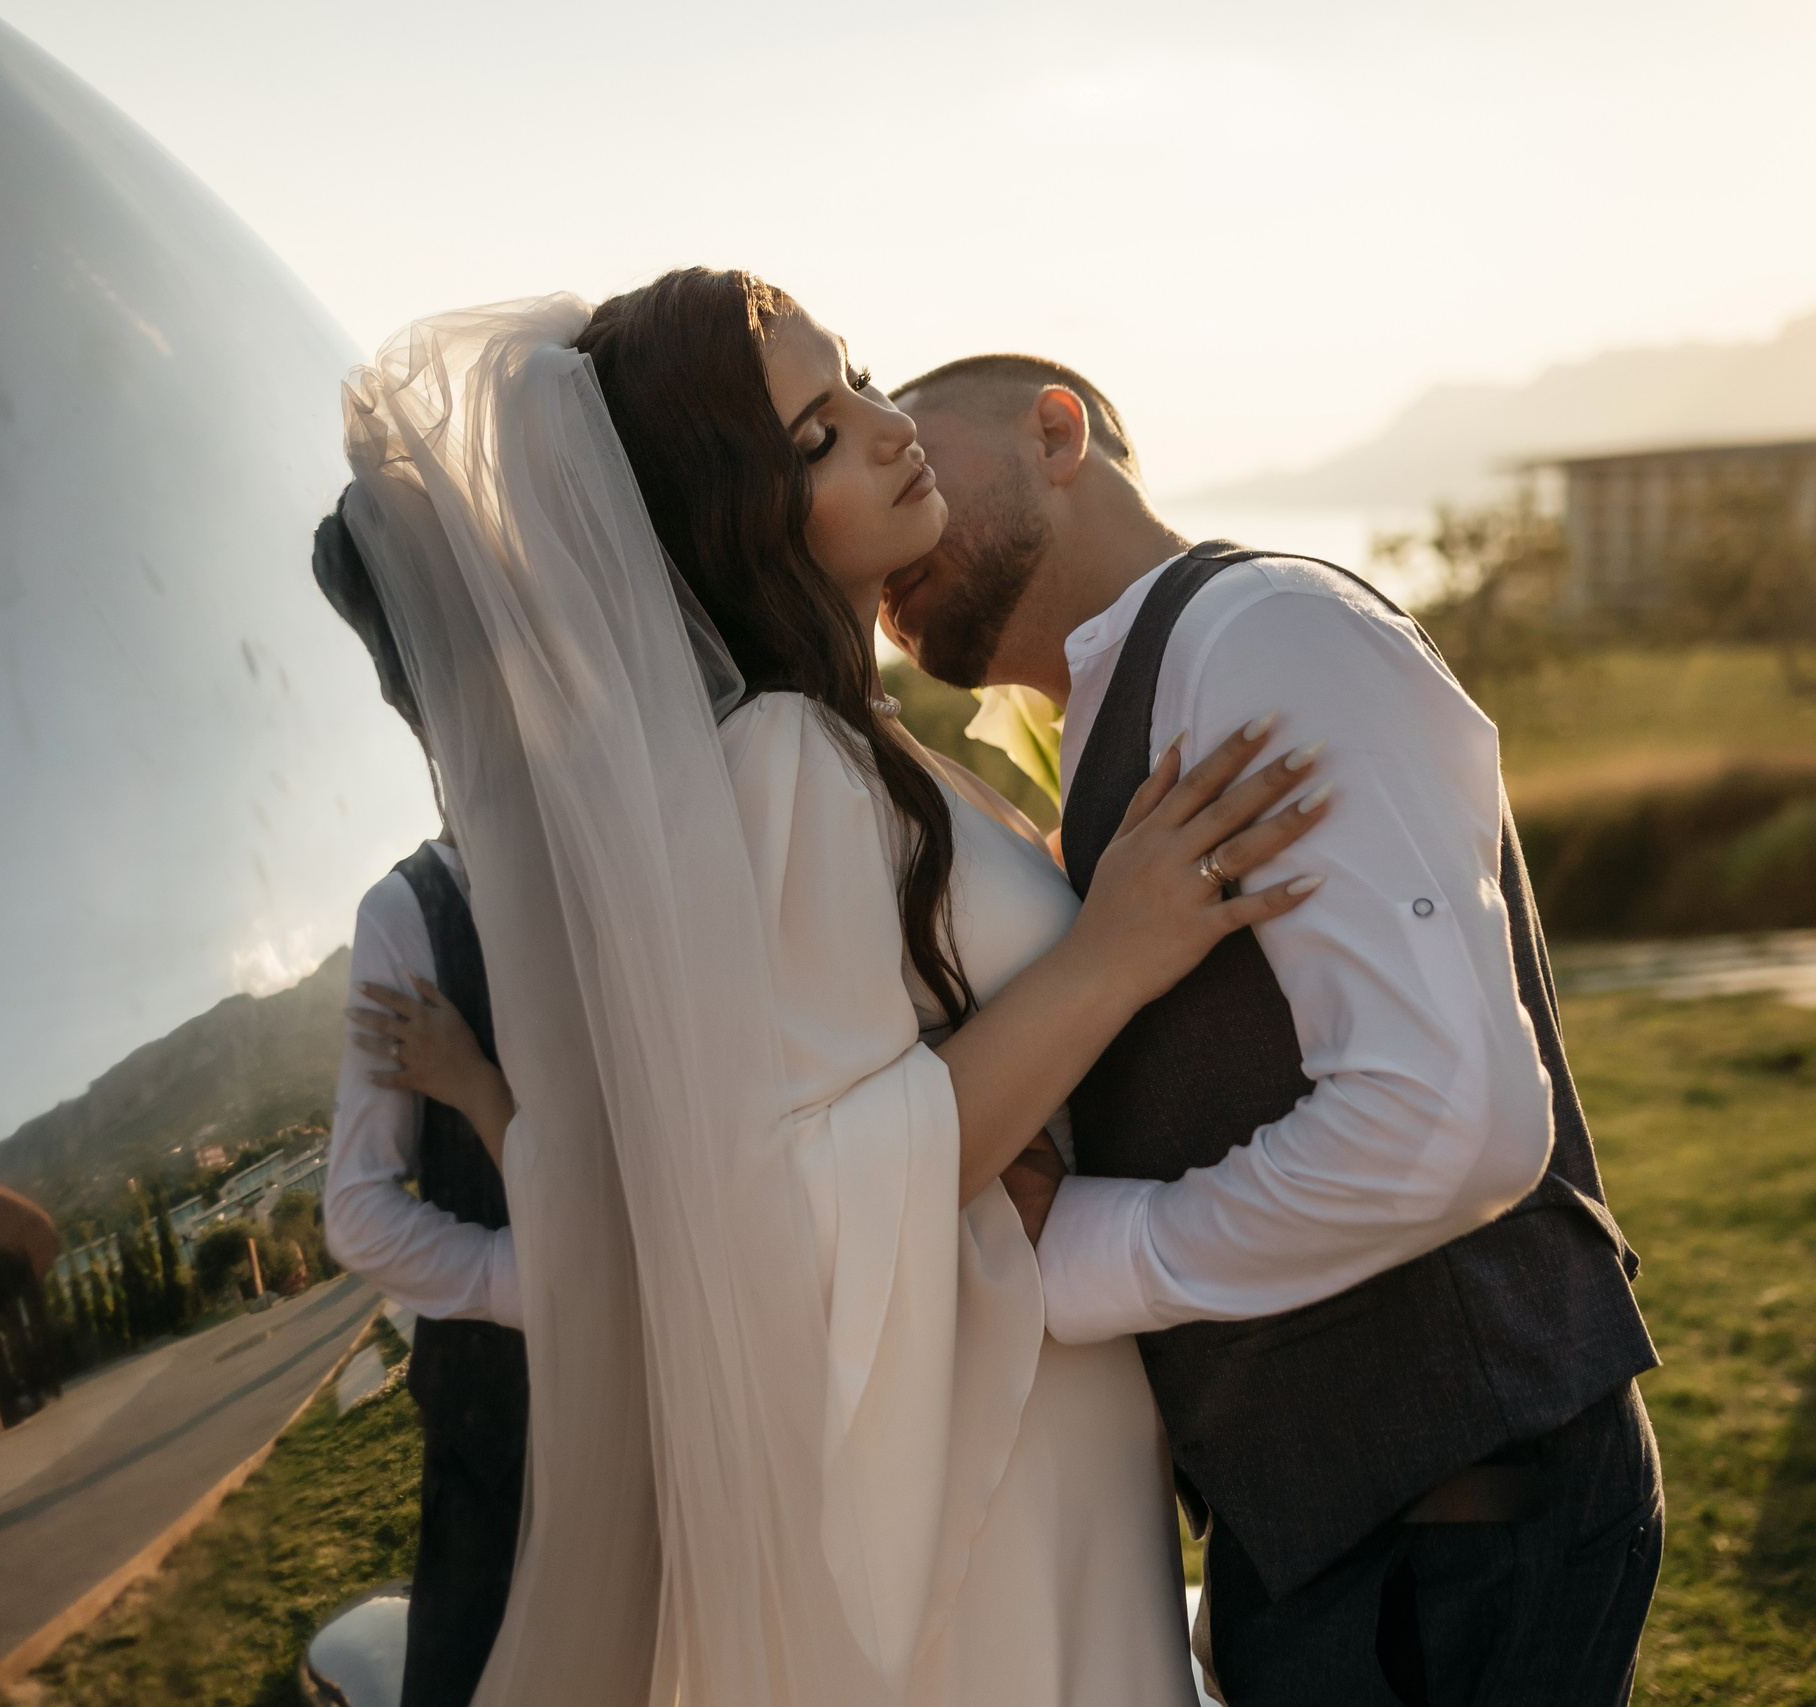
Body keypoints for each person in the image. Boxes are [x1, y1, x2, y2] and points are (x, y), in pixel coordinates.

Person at [338, 274, 1335, 1706]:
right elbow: (794, 1194)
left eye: (854, 378)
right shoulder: (784, 765)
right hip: (990, 1492)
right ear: (731, 524)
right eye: (815, 438)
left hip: (1050, 1438)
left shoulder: (869, 748)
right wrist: (1110, 954)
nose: (885, 427)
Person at [878, 353, 1661, 1704]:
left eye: (917, 453)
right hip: (1333, 1525)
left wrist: (1092, 1247)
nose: (898, 525)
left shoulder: (1264, 634)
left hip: (1458, 1516)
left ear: (1056, 434)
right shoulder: (1133, 696)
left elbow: (1448, 1119)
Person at [311, 495, 527, 1707]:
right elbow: (357, 1209)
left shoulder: (641, 862)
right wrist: (520, 1282)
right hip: (502, 1404)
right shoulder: (408, 916)